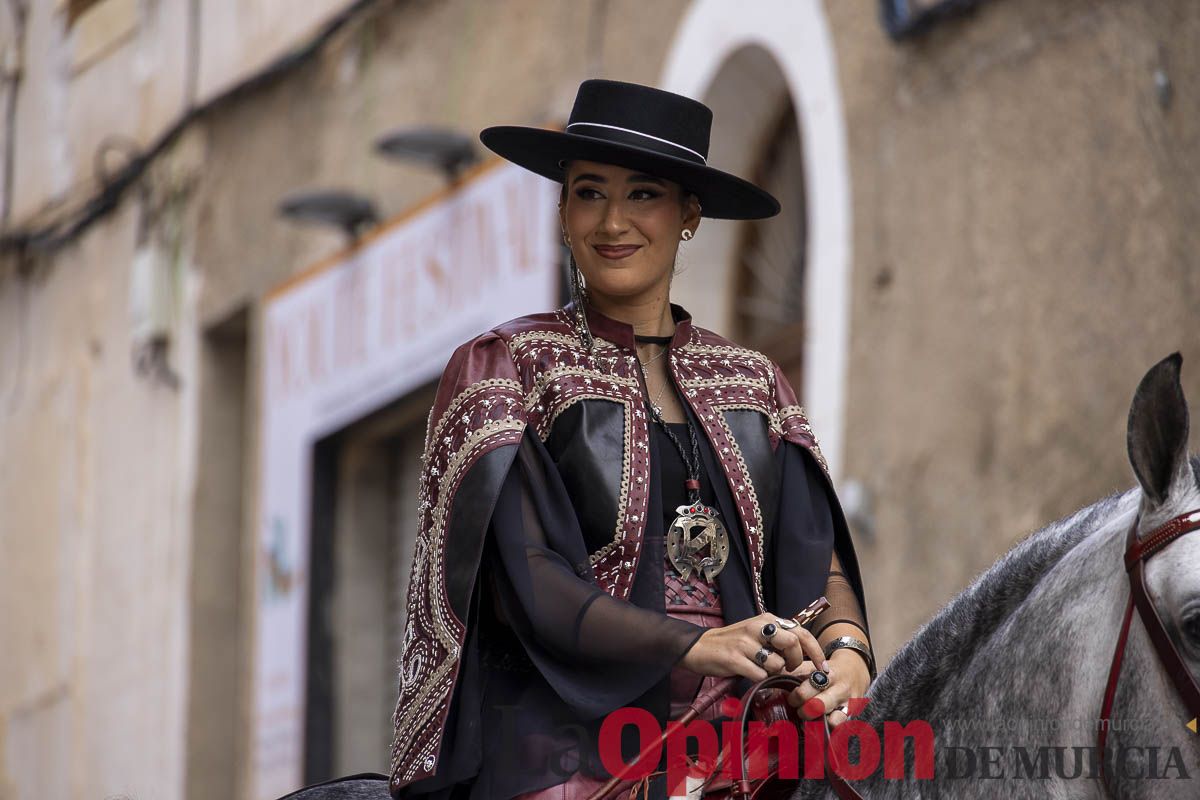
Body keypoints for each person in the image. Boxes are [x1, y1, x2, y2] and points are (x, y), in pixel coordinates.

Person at [388, 79, 873, 800]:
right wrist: (699, 644)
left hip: (748, 742)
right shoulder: (508, 366)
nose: (613, 220)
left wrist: (849, 649)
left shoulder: (756, 381)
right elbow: (531, 583)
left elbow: (815, 557)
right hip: (563, 751)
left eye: (643, 194)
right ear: (562, 212)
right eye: (589, 193)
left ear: (690, 216)